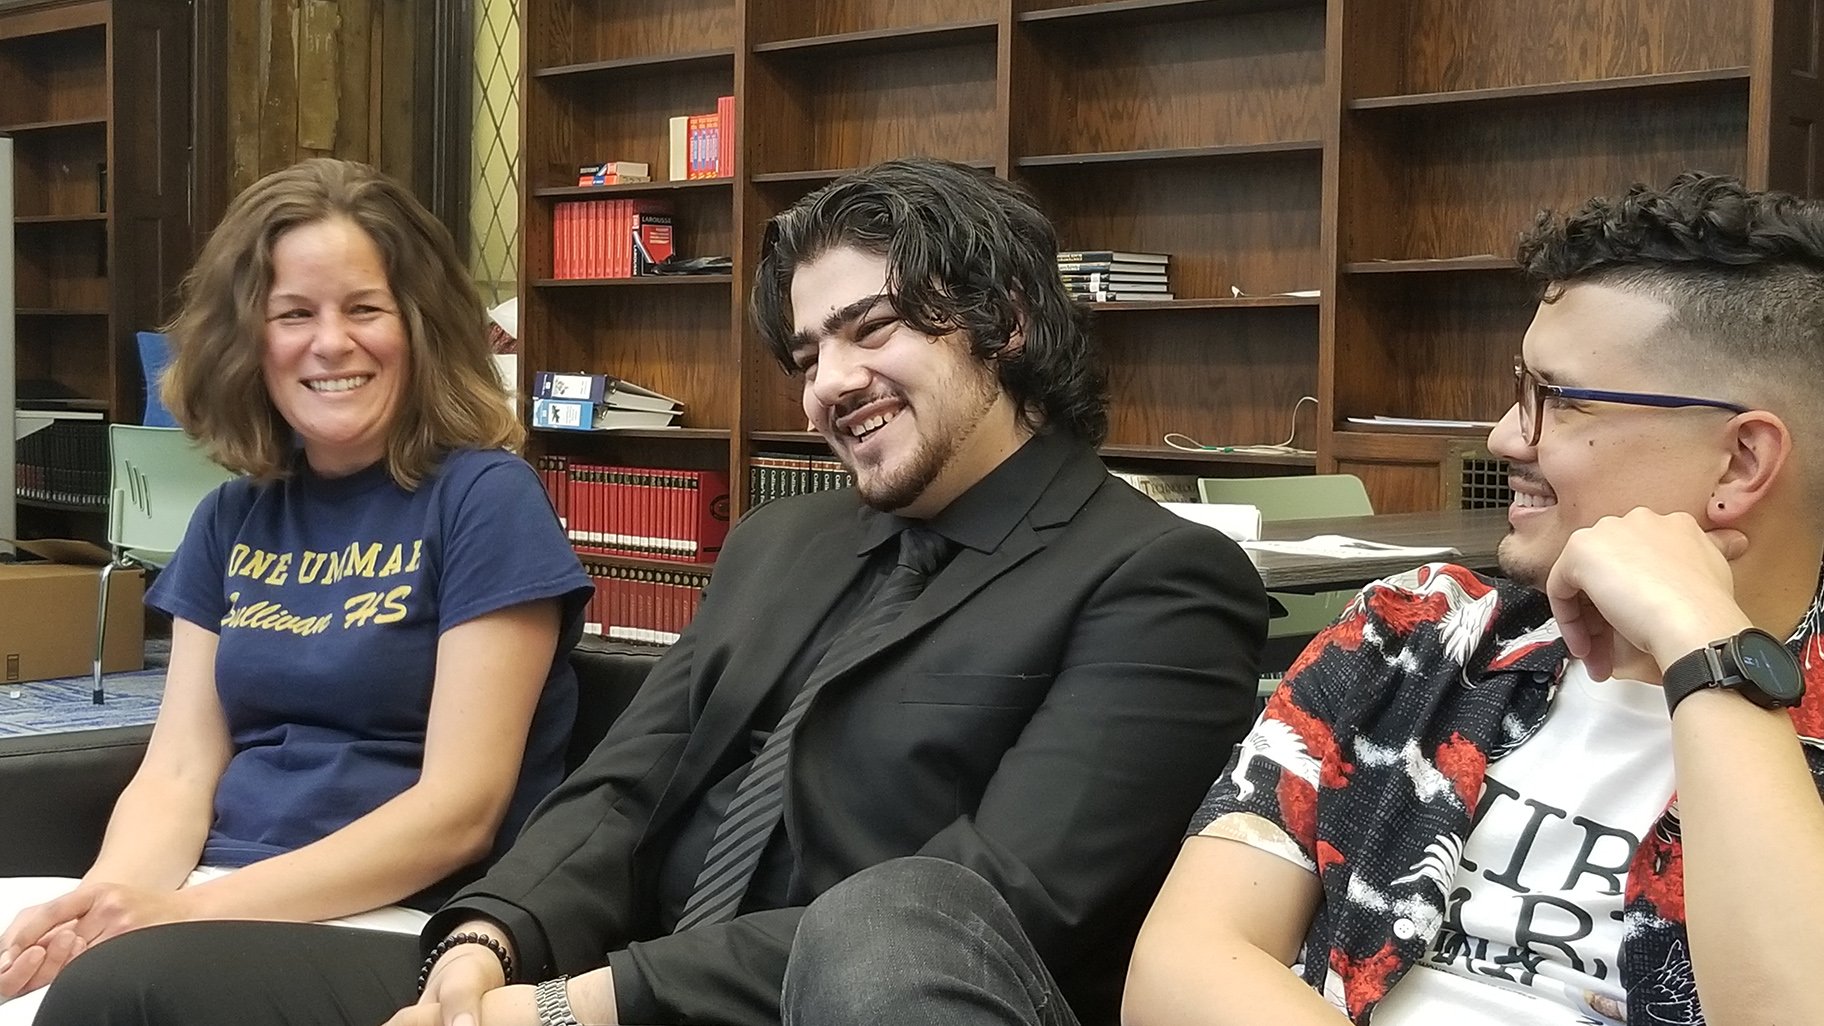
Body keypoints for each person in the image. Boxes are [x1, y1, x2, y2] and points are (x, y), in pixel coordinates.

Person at [33, 157, 1269, 1026]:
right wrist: (485, 941)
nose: (829, 384)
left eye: (872, 328)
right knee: (125, 992)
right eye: (805, 354)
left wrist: (580, 1006)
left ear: (1001, 321)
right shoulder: (784, 544)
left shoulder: (1156, 580)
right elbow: (624, 791)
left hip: (788, 1002)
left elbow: (991, 911)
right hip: (596, 982)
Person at [1121, 171, 1824, 1026]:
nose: (1503, 436)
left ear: (1740, 463)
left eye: (1556, 402)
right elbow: (1182, 965)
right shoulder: (1416, 632)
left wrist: (1710, 649)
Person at [0, 158, 592, 1023]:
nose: (330, 342)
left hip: (400, 920)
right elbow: (176, 770)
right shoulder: (231, 517)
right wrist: (103, 907)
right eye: (293, 314)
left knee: (107, 995)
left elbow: (459, 811)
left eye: (364, 308)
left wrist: (181, 918)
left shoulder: (484, 499)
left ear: (418, 327)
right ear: (249, 341)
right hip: (217, 894)